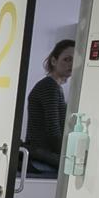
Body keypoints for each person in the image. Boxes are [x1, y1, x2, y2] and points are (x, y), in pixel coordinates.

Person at [24, 39, 75, 177]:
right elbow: (53, 130)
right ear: (54, 61)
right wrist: (66, 156)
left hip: (42, 157)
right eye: (67, 59)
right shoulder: (49, 87)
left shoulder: (55, 88)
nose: (71, 64)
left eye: (75, 60)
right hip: (42, 160)